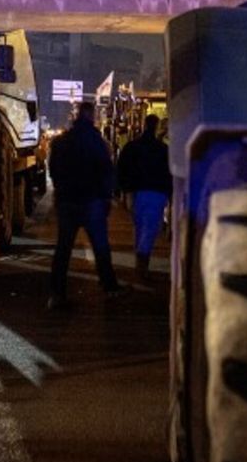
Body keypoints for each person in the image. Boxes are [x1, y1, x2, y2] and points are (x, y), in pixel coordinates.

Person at [47, 100, 122, 308]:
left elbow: (53, 169)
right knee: (100, 247)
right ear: (91, 116)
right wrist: (107, 197)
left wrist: (61, 190)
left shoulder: (62, 142)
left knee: (63, 249)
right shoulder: (97, 141)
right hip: (92, 201)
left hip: (68, 201)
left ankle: (57, 293)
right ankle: (110, 287)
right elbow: (106, 171)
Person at [116, 114, 173, 282]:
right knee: (150, 229)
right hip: (156, 192)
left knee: (140, 226)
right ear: (156, 127)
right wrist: (170, 193)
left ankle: (140, 265)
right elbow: (170, 173)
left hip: (136, 192)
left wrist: (124, 190)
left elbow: (121, 168)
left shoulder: (132, 147)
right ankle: (142, 264)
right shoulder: (163, 149)